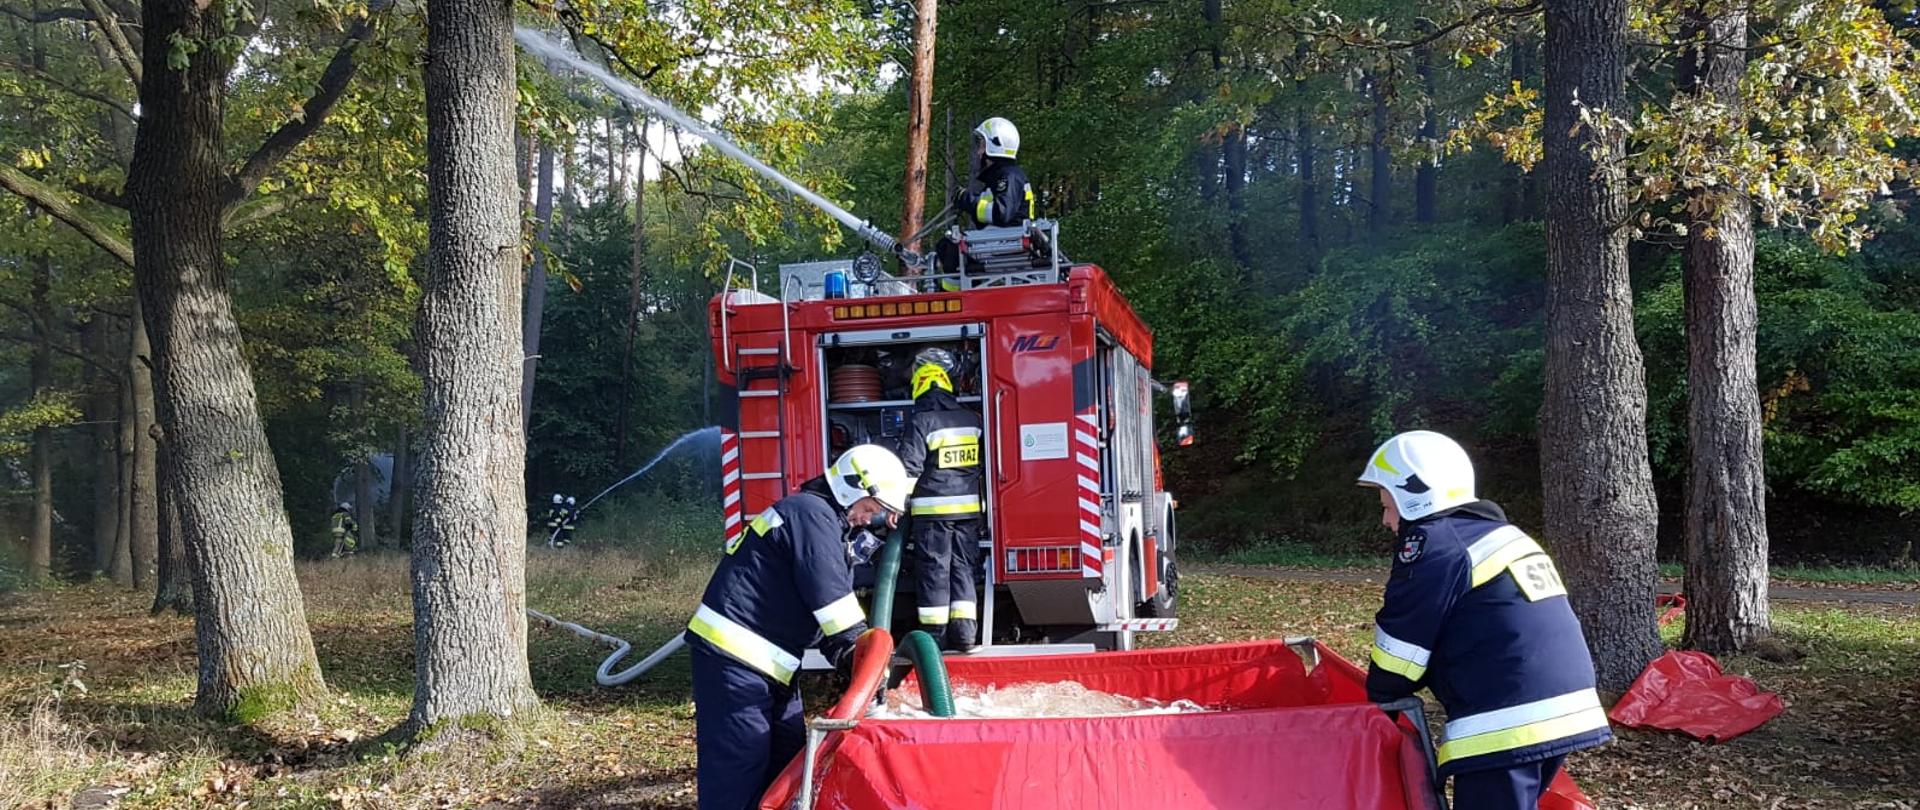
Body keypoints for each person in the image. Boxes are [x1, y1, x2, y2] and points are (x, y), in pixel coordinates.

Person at [1357, 431, 1612, 810]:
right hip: (1563, 707)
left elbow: (1403, 646)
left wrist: (1373, 705)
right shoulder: (1502, 534)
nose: (1385, 520)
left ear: (1414, 494)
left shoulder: (1435, 543)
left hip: (1508, 719)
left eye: (1388, 505)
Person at [686, 444, 909, 810]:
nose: (868, 520)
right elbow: (833, 606)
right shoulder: (810, 515)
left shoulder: (820, 521)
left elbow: (817, 611)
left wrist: (858, 666)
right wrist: (864, 661)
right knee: (738, 768)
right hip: (734, 661)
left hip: (770, 665)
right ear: (852, 488)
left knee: (787, 762)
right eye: (870, 509)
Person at [896, 349, 985, 651]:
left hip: (932, 513)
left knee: (935, 570)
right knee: (963, 569)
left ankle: (934, 638)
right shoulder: (969, 419)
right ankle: (965, 637)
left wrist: (896, 505)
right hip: (969, 512)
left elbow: (909, 469)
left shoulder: (923, 421)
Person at [935, 117, 1036, 280]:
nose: (979, 152)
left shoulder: (1008, 177)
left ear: (994, 146)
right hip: (1003, 240)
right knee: (946, 247)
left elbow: (1001, 213)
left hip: (1007, 241)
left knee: (951, 250)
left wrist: (968, 200)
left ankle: (955, 300)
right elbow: (988, 218)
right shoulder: (1003, 177)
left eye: (982, 145)